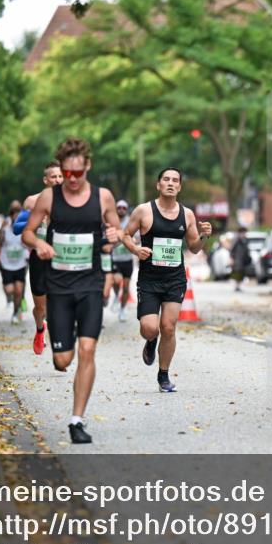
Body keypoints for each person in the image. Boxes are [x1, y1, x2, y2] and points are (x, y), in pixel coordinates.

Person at [22, 138, 121, 444]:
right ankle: (57, 341)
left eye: (78, 173)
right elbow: (27, 232)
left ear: (87, 167)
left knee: (87, 350)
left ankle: (76, 420)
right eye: (68, 174)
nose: (73, 180)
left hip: (90, 283)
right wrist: (39, 243)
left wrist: (115, 236)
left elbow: (115, 231)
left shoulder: (103, 197)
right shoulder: (49, 199)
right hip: (60, 286)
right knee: (62, 360)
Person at [119, 167, 212, 393]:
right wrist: (135, 249)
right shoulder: (143, 211)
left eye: (175, 180)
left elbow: (194, 248)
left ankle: (163, 375)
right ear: (158, 184)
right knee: (150, 328)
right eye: (166, 180)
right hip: (149, 279)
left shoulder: (187, 214)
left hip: (175, 278)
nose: (170, 183)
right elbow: (125, 235)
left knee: (168, 328)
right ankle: (151, 341)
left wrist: (204, 236)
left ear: (179, 186)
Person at [16, 161, 64, 354]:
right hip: (38, 258)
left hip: (62, 258)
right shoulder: (31, 201)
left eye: (61, 176)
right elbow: (22, 235)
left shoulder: (72, 202)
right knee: (40, 306)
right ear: (46, 180)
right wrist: (37, 244)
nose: (58, 180)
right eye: (54, 177)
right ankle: (39, 328)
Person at [0, 200, 29, 325]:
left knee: (19, 291)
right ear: (10, 214)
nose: (16, 216)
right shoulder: (5, 226)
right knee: (10, 290)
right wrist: (1, 229)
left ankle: (16, 312)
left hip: (20, 263)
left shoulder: (25, 225)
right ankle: (9, 299)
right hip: (6, 264)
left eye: (18, 212)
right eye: (13, 213)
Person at [110, 199, 135, 322]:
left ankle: (123, 309)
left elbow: (138, 238)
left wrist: (134, 242)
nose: (121, 210)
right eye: (119, 207)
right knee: (116, 280)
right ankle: (115, 295)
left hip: (127, 259)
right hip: (115, 258)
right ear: (116, 209)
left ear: (126, 209)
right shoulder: (111, 221)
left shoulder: (131, 222)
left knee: (125, 287)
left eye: (124, 208)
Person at [230, 226, 252, 291]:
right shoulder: (236, 240)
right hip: (237, 259)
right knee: (237, 272)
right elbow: (232, 250)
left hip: (244, 259)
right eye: (242, 233)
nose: (243, 234)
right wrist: (231, 258)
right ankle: (236, 286)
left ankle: (239, 286)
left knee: (242, 273)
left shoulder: (246, 240)